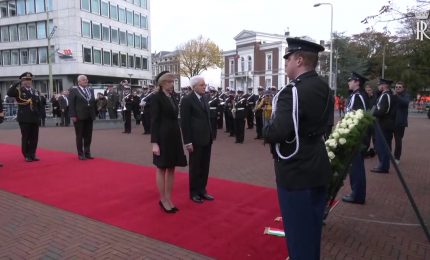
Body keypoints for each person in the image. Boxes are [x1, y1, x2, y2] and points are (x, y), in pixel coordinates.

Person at [263, 38, 332, 260]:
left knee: (297, 234)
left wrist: (266, 129)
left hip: (295, 169)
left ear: (299, 60)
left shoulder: (290, 92)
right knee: (311, 231)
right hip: (318, 163)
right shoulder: (325, 88)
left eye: (288, 58)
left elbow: (279, 131)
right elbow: (327, 124)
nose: (286, 63)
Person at [151, 71, 187, 213]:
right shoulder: (156, 98)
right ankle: (162, 199)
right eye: (169, 82)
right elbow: (154, 121)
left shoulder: (172, 96)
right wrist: (154, 142)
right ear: (162, 83)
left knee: (172, 168)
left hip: (174, 135)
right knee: (161, 167)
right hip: (162, 136)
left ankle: (168, 197)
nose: (172, 84)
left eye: (173, 82)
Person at [180, 75, 214, 204]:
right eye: (201, 85)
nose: (204, 86)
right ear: (194, 87)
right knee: (195, 167)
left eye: (204, 84)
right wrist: (187, 141)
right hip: (194, 140)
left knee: (205, 166)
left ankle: (202, 190)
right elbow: (185, 122)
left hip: (207, 138)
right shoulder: (187, 100)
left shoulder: (205, 98)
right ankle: (194, 192)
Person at [342, 72, 369, 204]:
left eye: (351, 80)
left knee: (356, 166)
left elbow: (355, 118)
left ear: (357, 82)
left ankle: (357, 194)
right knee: (356, 166)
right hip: (356, 136)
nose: (349, 82)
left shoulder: (358, 96)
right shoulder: (357, 95)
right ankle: (357, 193)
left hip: (355, 136)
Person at [7, 72, 44, 162]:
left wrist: (40, 116)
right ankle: (26, 154)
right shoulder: (19, 90)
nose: (28, 82)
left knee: (34, 137)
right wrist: (17, 83)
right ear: (22, 81)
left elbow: (39, 104)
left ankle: (33, 154)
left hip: (34, 118)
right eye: (26, 80)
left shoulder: (35, 91)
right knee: (26, 137)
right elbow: (9, 93)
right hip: (24, 118)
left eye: (30, 80)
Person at [371, 79, 397, 174]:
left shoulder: (386, 96)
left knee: (382, 146)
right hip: (385, 124)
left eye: (380, 84)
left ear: (384, 86)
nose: (378, 86)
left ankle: (383, 166)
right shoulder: (386, 95)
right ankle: (383, 164)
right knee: (383, 145)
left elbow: (383, 111)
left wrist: (372, 113)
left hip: (384, 124)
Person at [69, 75, 97, 160]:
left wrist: (94, 113)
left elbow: (92, 102)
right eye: (84, 80)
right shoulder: (74, 90)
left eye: (86, 79)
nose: (86, 81)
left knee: (88, 135)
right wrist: (73, 115)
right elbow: (71, 104)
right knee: (80, 135)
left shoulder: (90, 90)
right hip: (79, 116)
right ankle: (80, 154)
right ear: (79, 82)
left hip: (89, 116)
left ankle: (87, 153)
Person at [393, 81, 410, 165]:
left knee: (398, 141)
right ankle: (387, 156)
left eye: (400, 87)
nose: (397, 88)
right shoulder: (393, 95)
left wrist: (397, 96)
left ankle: (397, 157)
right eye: (396, 87)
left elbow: (405, 103)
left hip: (400, 123)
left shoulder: (406, 95)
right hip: (391, 121)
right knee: (387, 139)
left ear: (403, 88)